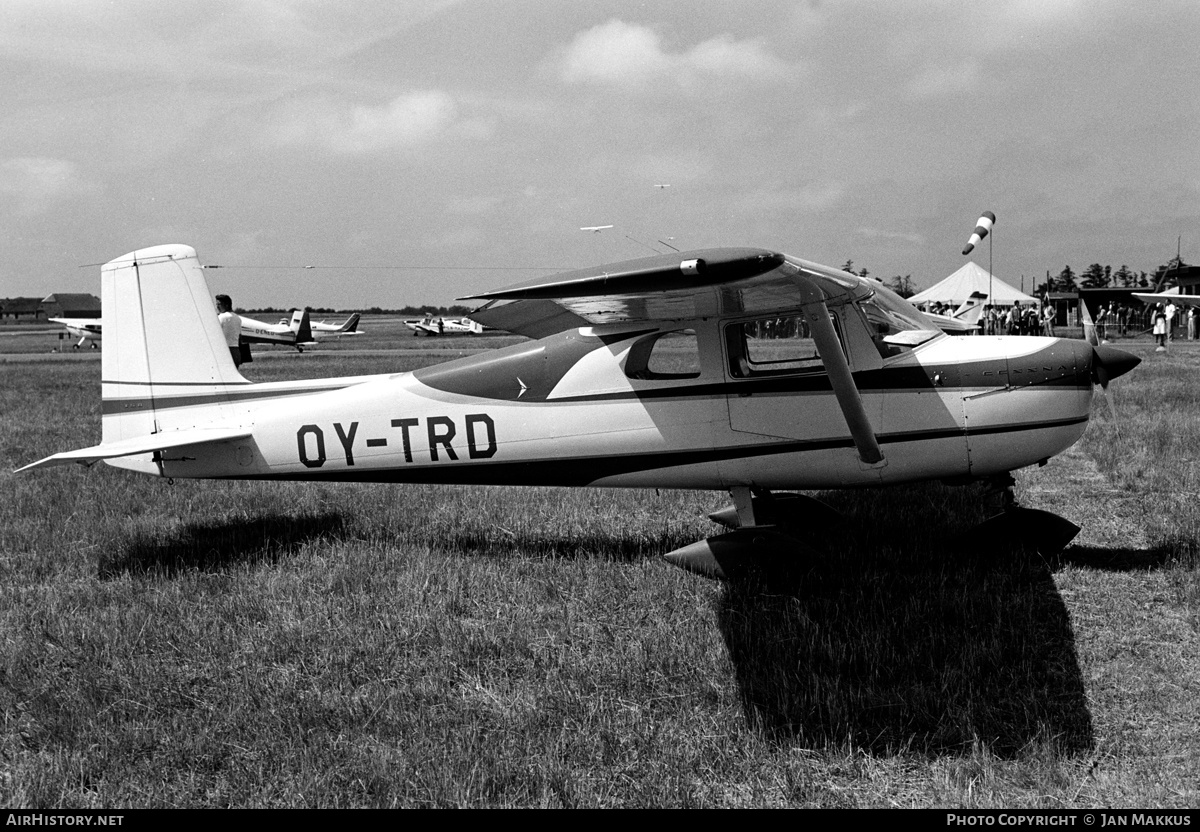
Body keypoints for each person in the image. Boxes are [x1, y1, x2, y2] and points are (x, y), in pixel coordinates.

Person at [215, 294, 242, 366]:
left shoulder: (220, 317)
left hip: (224, 352)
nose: (217, 307)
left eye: (219, 304)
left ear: (226, 305)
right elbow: (239, 336)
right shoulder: (237, 318)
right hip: (236, 351)